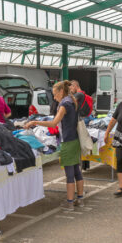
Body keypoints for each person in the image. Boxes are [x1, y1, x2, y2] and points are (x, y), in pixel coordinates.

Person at [26, 81, 84, 210]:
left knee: (69, 174)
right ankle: (80, 199)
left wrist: (35, 121)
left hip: (68, 142)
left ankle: (69, 202)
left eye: (55, 94)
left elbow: (53, 123)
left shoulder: (64, 104)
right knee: (76, 171)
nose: (54, 97)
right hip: (74, 140)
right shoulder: (72, 100)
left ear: (61, 92)